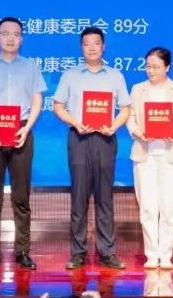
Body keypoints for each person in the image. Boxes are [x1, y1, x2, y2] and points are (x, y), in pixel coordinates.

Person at [0, 17, 47, 270]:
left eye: (15, 34)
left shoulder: (31, 67)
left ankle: (22, 251)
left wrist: (27, 128)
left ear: (22, 39)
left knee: (21, 197)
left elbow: (37, 101)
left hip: (21, 131)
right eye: (5, 33)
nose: (10, 38)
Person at [53, 26, 131, 270]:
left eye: (96, 43)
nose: (92, 48)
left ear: (103, 46)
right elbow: (58, 106)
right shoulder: (70, 75)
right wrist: (74, 122)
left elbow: (125, 108)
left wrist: (114, 125)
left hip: (105, 139)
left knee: (104, 197)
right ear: (81, 47)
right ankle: (78, 252)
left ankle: (107, 251)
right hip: (79, 138)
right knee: (79, 196)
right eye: (87, 44)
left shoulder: (115, 76)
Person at [127, 46, 173, 270]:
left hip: (170, 155)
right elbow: (130, 118)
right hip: (144, 154)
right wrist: (138, 133)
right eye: (148, 66)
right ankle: (151, 253)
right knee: (147, 207)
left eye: (156, 66)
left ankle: (165, 254)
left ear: (167, 67)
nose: (151, 70)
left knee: (167, 208)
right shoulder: (138, 89)